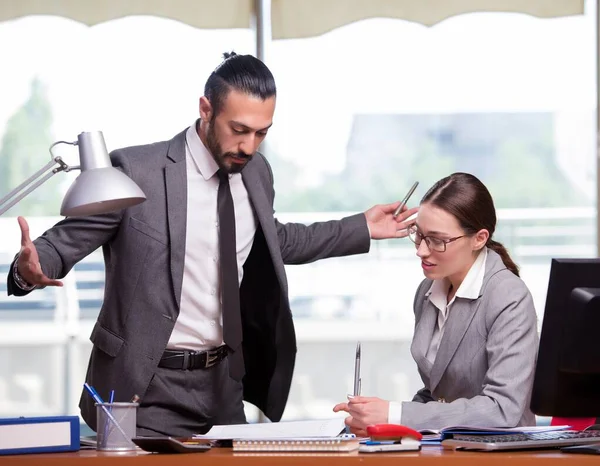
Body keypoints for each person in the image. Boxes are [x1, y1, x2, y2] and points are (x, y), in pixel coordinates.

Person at [6, 52, 418, 437]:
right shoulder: (135, 171)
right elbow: (61, 245)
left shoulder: (257, 173)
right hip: (143, 391)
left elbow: (277, 241)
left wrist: (361, 227)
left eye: (261, 133)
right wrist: (29, 269)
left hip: (223, 387)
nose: (249, 147)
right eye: (238, 130)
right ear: (206, 110)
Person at [333, 172, 538, 433]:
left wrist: (395, 414)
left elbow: (502, 409)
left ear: (479, 238)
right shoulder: (428, 290)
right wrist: (377, 421)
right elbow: (438, 394)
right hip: (446, 447)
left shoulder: (508, 297)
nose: (421, 250)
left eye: (437, 240)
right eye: (419, 234)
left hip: (502, 452)